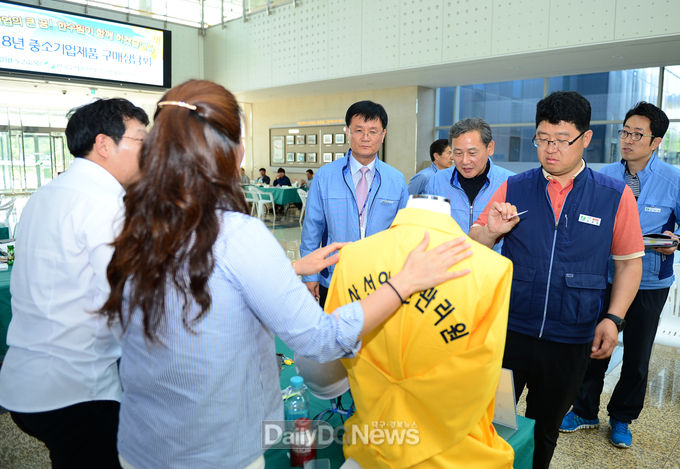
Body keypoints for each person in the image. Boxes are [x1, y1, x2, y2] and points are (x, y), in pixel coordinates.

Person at [99, 80, 473, 469]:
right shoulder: (237, 233)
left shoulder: (137, 221)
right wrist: (405, 282)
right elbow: (321, 339)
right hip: (214, 448)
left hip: (143, 441)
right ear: (228, 149)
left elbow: (208, 275)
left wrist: (292, 267)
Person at [468, 91, 644, 469]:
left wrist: (613, 319)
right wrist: (490, 232)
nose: (550, 150)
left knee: (545, 428)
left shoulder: (613, 196)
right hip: (511, 333)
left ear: (586, 139)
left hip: (571, 337)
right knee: (492, 423)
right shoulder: (514, 188)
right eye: (543, 139)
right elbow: (476, 242)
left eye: (562, 140)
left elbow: (629, 264)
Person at [0, 98, 149, 468]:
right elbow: (132, 296)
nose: (149, 152)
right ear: (104, 144)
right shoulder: (103, 205)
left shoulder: (46, 195)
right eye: (141, 141)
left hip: (27, 379)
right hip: (76, 389)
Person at [325, 195, 514, 468]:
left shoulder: (353, 256)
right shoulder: (492, 268)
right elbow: (483, 368)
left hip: (373, 434)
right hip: (452, 445)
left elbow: (333, 347)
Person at [560, 102, 680, 448]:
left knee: (638, 355)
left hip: (650, 280)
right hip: (604, 277)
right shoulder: (603, 175)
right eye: (625, 132)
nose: (628, 140)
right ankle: (584, 410)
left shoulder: (672, 180)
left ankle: (623, 417)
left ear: (656, 141)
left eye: (637, 134)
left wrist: (674, 239)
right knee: (595, 346)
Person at [301, 100, 409, 307]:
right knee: (333, 337)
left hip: (380, 281)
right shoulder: (325, 176)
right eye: (359, 130)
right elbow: (312, 229)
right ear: (348, 132)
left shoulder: (396, 180)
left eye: (373, 131)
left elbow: (402, 233)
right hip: (333, 277)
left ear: (383, 135)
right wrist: (309, 275)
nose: (366, 137)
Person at [426, 118, 513, 235]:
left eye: (472, 153)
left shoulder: (510, 183)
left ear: (490, 148)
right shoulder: (437, 181)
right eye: (458, 153)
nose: (465, 161)